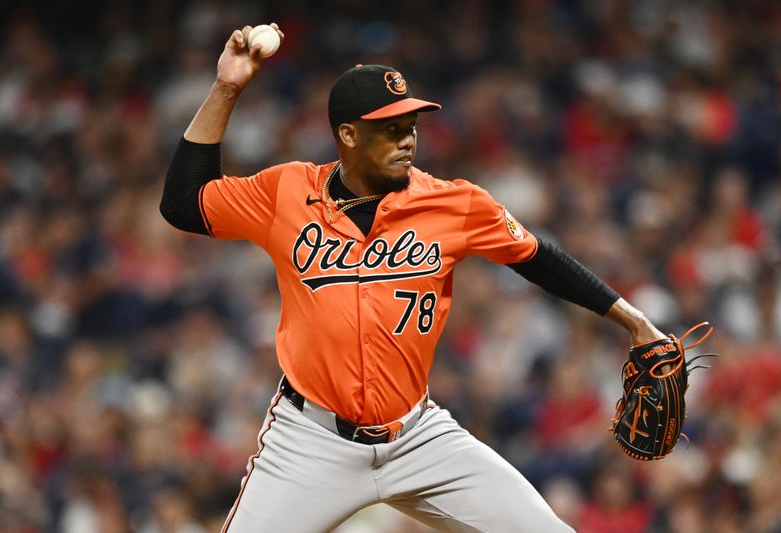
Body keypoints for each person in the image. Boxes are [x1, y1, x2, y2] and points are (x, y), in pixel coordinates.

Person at [160, 24, 667, 533]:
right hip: (310, 442)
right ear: (348, 135)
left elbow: (538, 257)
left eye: (411, 125)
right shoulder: (286, 192)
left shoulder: (455, 202)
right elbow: (183, 204)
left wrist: (633, 320)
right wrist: (227, 89)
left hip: (419, 436)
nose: (407, 139)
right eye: (390, 128)